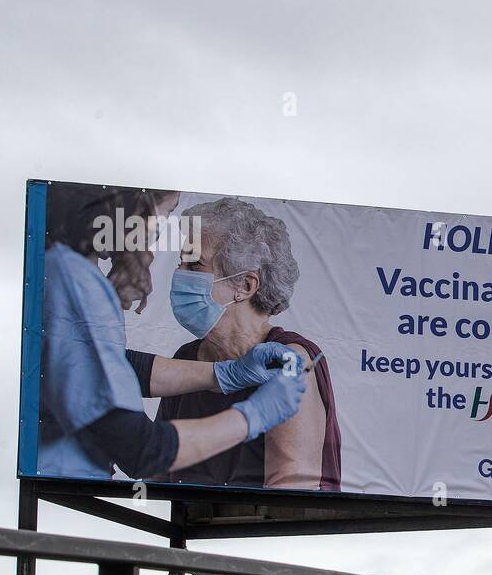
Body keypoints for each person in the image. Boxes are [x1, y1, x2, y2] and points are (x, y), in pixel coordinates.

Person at [38, 184, 309, 482]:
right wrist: (253, 416)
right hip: (64, 474)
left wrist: (223, 374)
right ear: (134, 211)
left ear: (246, 286)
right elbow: (141, 451)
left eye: (194, 263)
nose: (160, 230)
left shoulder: (292, 353)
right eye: (165, 213)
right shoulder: (76, 283)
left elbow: (104, 366)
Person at [156, 197, 341, 491]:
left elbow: (290, 493)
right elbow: (158, 471)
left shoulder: (288, 359)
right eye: (181, 261)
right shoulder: (187, 357)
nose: (180, 273)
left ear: (245, 286)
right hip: (188, 533)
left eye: (195, 264)